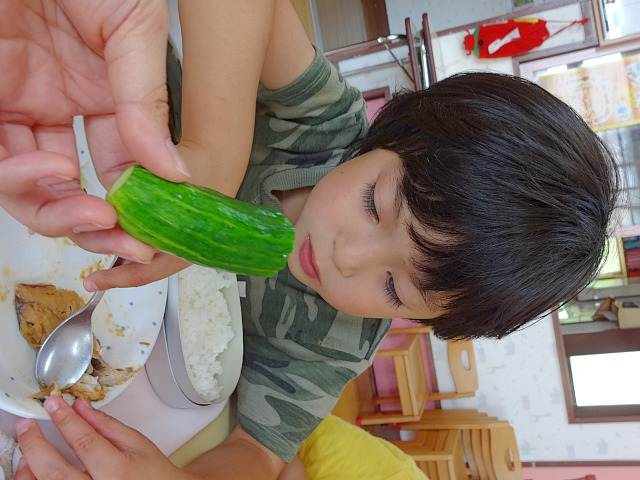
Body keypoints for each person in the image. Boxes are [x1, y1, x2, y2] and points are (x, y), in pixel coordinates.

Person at [1, 0, 619, 479]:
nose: (347, 255)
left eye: (393, 287)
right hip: (57, 92)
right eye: (374, 203)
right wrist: (216, 155)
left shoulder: (336, 343)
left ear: (423, 321)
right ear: (389, 138)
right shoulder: (323, 126)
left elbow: (258, 454)